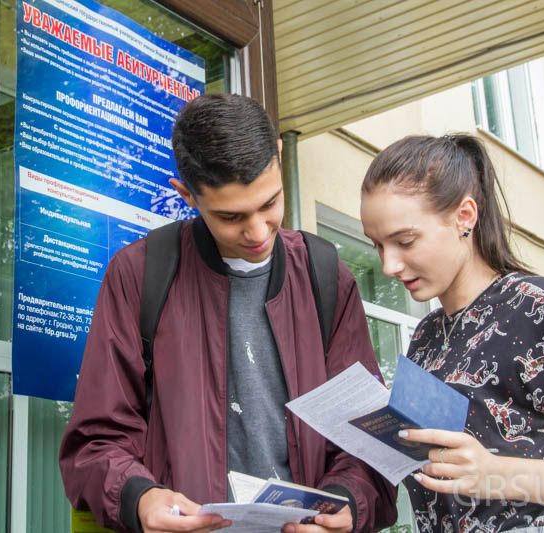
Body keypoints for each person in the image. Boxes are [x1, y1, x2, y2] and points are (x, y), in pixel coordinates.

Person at [59, 93, 397, 533]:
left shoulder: (327, 276)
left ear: (278, 154)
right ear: (186, 194)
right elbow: (95, 441)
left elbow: (367, 440)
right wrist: (141, 498)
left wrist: (347, 505)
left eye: (270, 203)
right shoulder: (140, 274)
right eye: (231, 216)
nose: (257, 232)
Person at [359, 134, 544, 532]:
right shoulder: (426, 337)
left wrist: (496, 473)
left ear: (464, 216)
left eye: (405, 240)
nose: (389, 266)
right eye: (378, 245)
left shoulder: (538, 306)